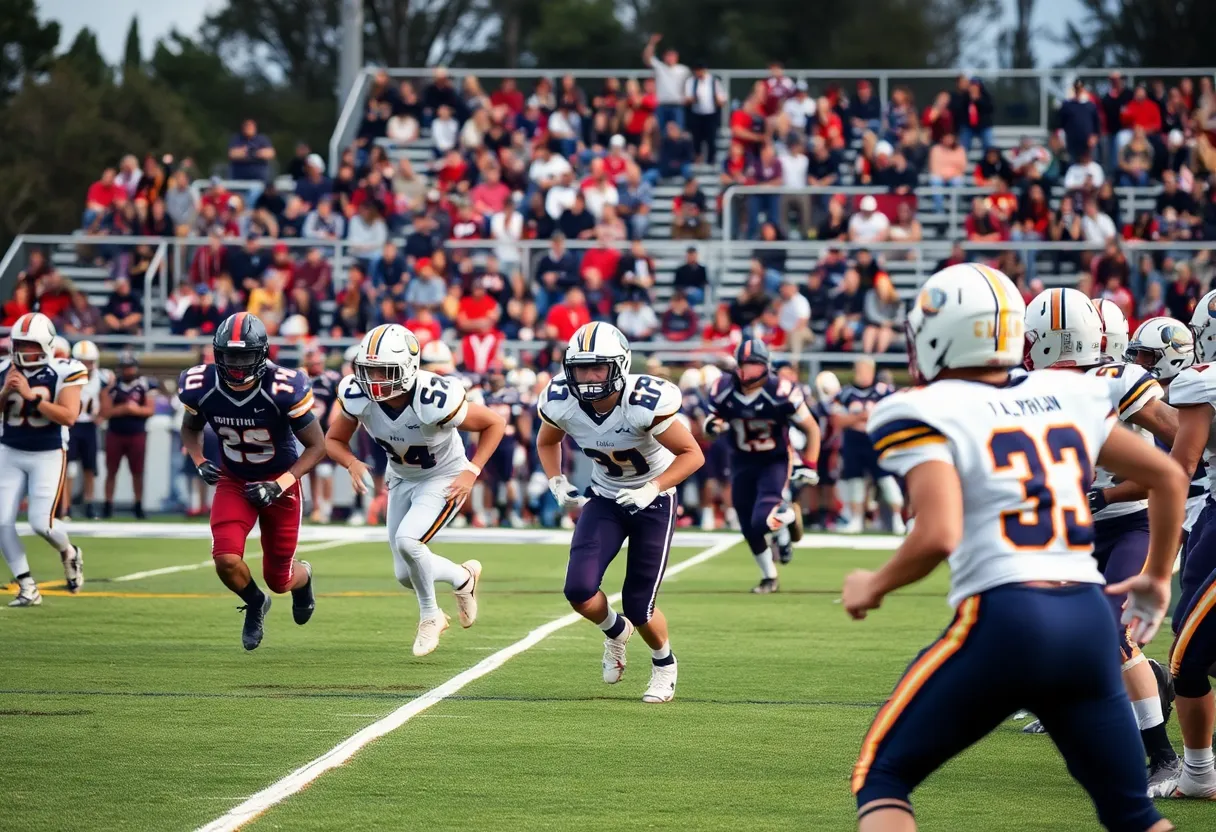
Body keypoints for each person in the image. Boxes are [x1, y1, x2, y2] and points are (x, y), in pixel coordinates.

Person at [845, 262, 1183, 832]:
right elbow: (1169, 476)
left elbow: (936, 534)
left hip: (1005, 617)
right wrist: (1154, 578)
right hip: (1084, 620)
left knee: (882, 777)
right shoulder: (1070, 392)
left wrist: (872, 584)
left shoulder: (917, 408)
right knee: (1131, 814)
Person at [1022, 288, 1182, 788]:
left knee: (1112, 632)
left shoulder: (1115, 380)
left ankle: (1163, 756)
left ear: (1056, 338)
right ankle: (1142, 683)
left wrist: (1107, 494)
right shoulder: (1035, 389)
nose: (1026, 348)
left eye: (1034, 338)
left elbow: (1176, 441)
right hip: (1078, 529)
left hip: (1133, 522)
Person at [536, 322, 704, 703]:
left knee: (639, 604)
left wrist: (653, 488)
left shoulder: (642, 401)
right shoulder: (561, 400)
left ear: (620, 366)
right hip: (606, 496)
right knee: (578, 590)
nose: (588, 378)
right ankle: (615, 631)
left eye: (597, 368)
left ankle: (664, 664)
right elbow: (547, 441)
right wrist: (556, 479)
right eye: (581, 369)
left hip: (655, 500)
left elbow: (693, 454)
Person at [324, 324, 506, 656]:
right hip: (401, 477)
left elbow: (494, 422)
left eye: (384, 370)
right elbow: (333, 439)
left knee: (409, 542)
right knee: (405, 574)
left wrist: (472, 470)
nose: (374, 379)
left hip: (443, 477)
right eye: (369, 370)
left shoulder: (433, 398)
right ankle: (462, 577)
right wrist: (351, 462)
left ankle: (430, 615)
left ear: (407, 368)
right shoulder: (358, 395)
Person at [177, 313, 328, 651]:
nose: (237, 365)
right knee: (225, 558)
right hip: (235, 479)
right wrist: (199, 460)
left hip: (280, 484)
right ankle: (255, 602)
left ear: (261, 354)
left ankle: (303, 577)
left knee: (280, 579)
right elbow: (190, 427)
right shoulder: (202, 385)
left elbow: (317, 446)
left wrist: (280, 484)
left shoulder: (283, 387)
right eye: (229, 356)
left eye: (244, 356)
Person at [1157, 292, 1216, 800]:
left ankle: (1199, 773)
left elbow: (1179, 468)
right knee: (1191, 638)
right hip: (1212, 516)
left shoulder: (1203, 379)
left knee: (1187, 657)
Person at [703, 339, 821, 592]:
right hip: (741, 460)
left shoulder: (781, 390)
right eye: (745, 364)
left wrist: (810, 464)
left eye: (755, 364)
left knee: (761, 520)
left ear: (766, 366)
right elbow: (711, 423)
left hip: (773, 460)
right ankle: (770, 576)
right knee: (748, 526)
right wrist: (714, 426)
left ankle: (788, 515)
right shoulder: (723, 388)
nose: (749, 370)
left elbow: (811, 428)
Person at [0, 313, 86, 606]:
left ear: (47, 345)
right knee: (2, 522)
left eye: (30, 345)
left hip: (47, 453)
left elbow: (69, 416)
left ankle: (69, 551)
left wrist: (30, 396)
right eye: (19, 344)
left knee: (41, 523)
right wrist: (5, 392)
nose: (23, 352)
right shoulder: (4, 370)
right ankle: (27, 586)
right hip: (9, 450)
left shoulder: (64, 370)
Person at [832, 359, 904, 534]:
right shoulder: (845, 393)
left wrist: (861, 418)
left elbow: (893, 415)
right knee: (855, 481)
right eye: (860, 369)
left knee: (886, 480)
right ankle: (856, 519)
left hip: (877, 441)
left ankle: (898, 519)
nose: (863, 374)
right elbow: (837, 421)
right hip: (854, 442)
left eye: (867, 370)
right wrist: (861, 417)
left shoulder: (884, 391)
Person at [99, 351, 157, 520]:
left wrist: (134, 410)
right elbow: (105, 411)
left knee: (137, 472)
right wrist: (125, 409)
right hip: (115, 433)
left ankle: (138, 505)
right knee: (111, 470)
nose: (128, 371)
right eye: (125, 367)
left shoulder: (144, 385)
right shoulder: (112, 386)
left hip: (136, 433)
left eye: (130, 367)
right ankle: (108, 505)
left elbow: (149, 410)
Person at [483, 365, 532, 529]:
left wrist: (523, 442)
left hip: (507, 441)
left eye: (499, 376)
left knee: (509, 478)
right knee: (489, 479)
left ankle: (512, 513)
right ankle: (489, 515)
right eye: (493, 375)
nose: (496, 379)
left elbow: (520, 420)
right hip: (490, 440)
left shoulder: (512, 397)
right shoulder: (484, 397)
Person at [303, 346, 342, 524]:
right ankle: (316, 508)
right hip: (307, 431)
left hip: (326, 431)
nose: (316, 365)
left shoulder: (330, 379)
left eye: (318, 362)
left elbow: (341, 398)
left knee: (325, 470)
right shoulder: (301, 378)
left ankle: (326, 508)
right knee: (310, 470)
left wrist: (336, 416)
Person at [66, 340, 103, 520]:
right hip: (71, 425)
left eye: (89, 362)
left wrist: (101, 416)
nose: (86, 366)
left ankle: (89, 504)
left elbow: (106, 399)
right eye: (83, 362)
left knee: (90, 468)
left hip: (89, 426)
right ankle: (65, 506)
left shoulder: (101, 377)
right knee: (70, 468)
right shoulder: (66, 376)